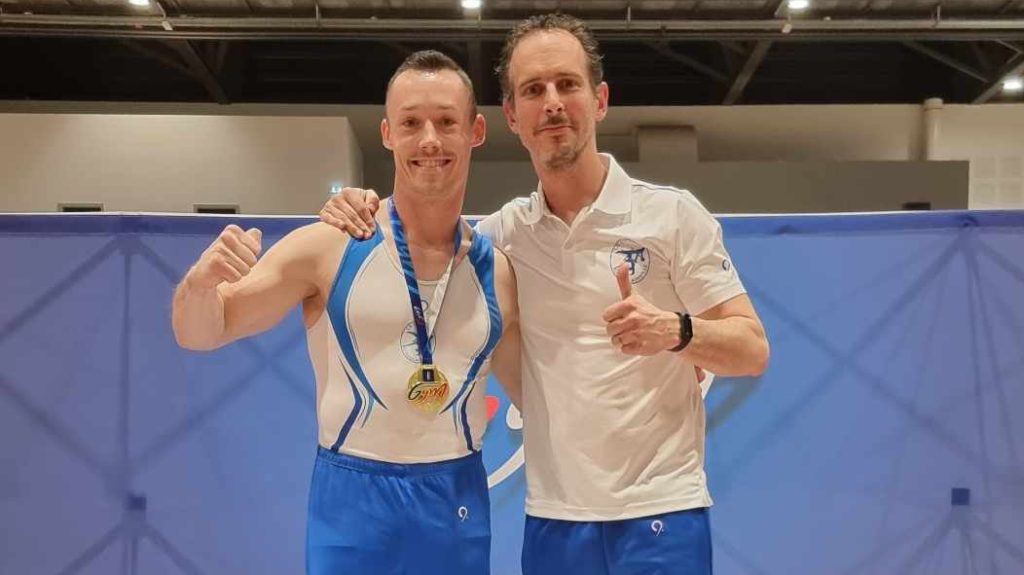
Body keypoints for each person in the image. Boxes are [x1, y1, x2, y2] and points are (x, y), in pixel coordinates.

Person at [320, 13, 769, 575]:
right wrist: (358, 205)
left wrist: (676, 331)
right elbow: (419, 233)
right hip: (554, 520)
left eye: (567, 84)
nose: (552, 102)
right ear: (511, 116)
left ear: (599, 99)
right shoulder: (501, 238)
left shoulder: (672, 216)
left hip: (663, 510)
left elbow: (752, 348)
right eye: (533, 90)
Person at [172, 50, 520, 575]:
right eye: (411, 123)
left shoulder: (498, 273)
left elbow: (540, 398)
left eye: (446, 122)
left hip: (456, 500)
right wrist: (198, 286)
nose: (429, 139)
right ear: (387, 133)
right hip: (352, 501)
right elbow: (202, 332)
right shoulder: (328, 247)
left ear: (475, 131)